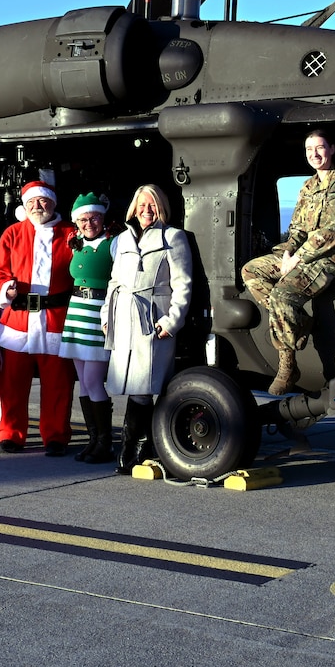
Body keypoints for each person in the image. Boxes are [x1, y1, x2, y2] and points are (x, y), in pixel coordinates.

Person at [240, 128, 335, 395]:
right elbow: (298, 230)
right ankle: (298, 321)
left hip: (329, 258)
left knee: (282, 296)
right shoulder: (307, 187)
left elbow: (334, 232)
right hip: (300, 257)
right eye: (309, 150)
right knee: (251, 270)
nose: (315, 154)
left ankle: (288, 366)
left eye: (320, 148)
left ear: (332, 149)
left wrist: (297, 259)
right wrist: (288, 252)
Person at [104, 183, 192, 473]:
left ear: (161, 207)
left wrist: (172, 321)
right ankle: (135, 448)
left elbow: (182, 284)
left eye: (151, 205)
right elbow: (114, 282)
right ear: (134, 208)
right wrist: (107, 317)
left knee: (147, 386)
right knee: (133, 388)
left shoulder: (174, 237)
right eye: (141, 205)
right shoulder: (121, 240)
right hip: (124, 318)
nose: (146, 210)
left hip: (153, 319)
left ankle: (139, 448)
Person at [0, 181, 78, 455]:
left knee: (58, 383)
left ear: (52, 203)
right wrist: (6, 288)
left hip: (55, 318)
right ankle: (11, 435)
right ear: (24, 205)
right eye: (31, 202)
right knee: (13, 383)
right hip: (19, 320)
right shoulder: (13, 233)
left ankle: (56, 436)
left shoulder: (70, 234)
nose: (37, 207)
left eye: (42, 201)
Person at [60, 192, 116, 463]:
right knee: (83, 383)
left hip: (97, 313)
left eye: (93, 217)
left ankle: (105, 442)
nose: (88, 223)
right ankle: (93, 441)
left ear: (102, 217)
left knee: (94, 380)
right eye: (83, 219)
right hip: (76, 312)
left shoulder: (114, 244)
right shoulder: (76, 244)